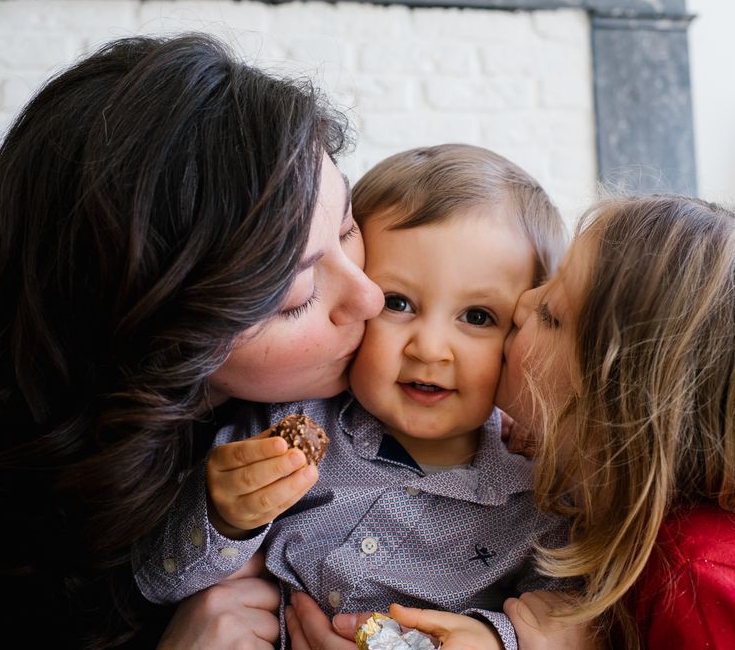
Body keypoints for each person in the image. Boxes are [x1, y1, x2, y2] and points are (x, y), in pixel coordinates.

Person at [0, 33, 384, 650]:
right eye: (298, 295)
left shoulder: (392, 389)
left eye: (349, 224)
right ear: (161, 333)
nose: (369, 298)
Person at [299, 194, 735, 650]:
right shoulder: (599, 498)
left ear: (619, 411)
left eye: (552, 313)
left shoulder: (705, 575)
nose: (523, 303)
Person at [134, 144, 571, 650]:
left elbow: (564, 618)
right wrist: (223, 519)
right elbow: (159, 581)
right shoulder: (284, 423)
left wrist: (497, 641)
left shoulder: (542, 495)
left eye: (477, 317)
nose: (429, 347)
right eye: (397, 302)